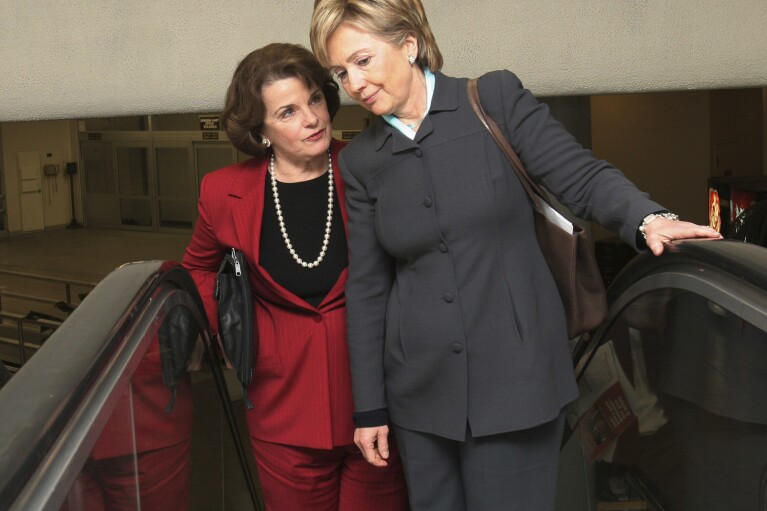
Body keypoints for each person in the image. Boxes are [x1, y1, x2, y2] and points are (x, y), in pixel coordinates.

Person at [309, 2, 723, 510]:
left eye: (363, 60)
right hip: (420, 393)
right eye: (341, 72)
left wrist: (647, 218)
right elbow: (368, 289)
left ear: (409, 44)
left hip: (516, 381)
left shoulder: (493, 99)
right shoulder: (360, 161)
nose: (353, 82)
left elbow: (581, 175)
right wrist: (369, 406)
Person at [181, 43, 409, 511]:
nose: (312, 119)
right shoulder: (224, 191)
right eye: (287, 111)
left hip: (379, 399)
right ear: (260, 131)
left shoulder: (370, 166)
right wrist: (230, 335)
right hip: (281, 405)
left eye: (315, 100)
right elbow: (197, 268)